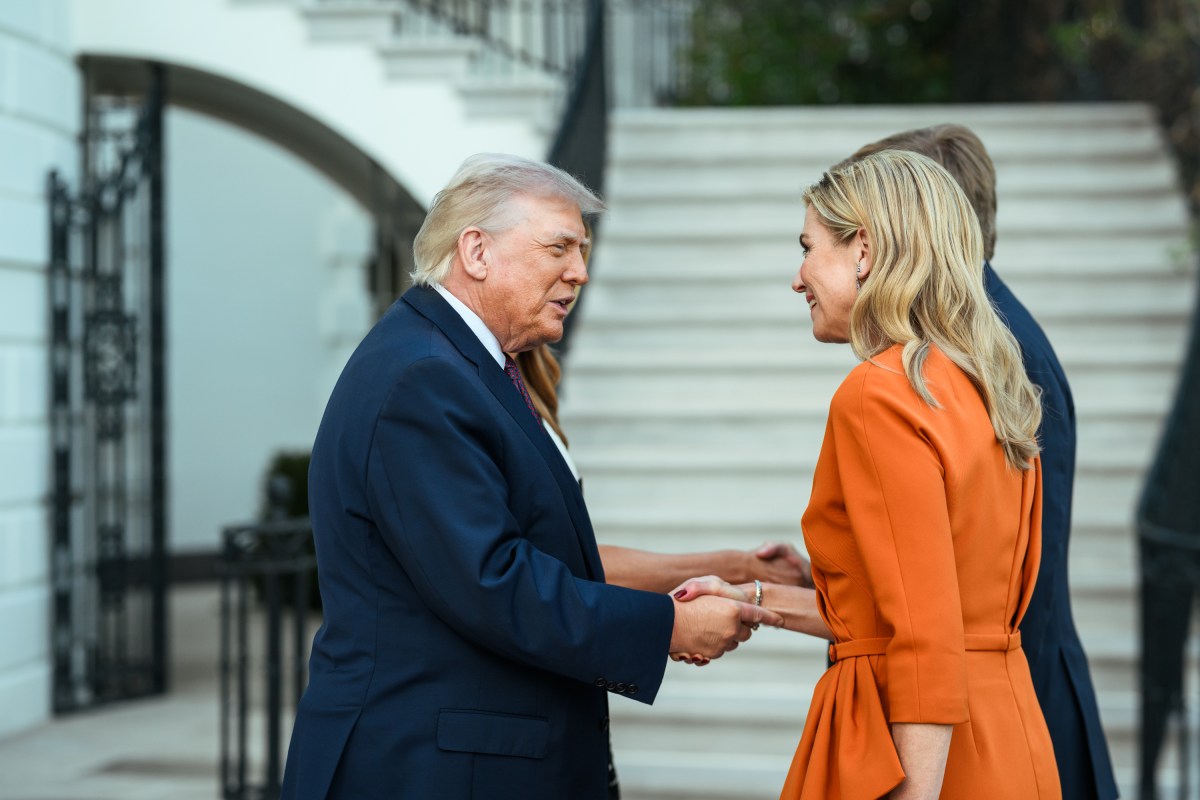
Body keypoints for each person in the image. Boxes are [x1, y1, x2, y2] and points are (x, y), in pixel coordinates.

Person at [279, 153, 780, 800]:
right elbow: (495, 582)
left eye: (583, 249)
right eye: (558, 248)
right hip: (424, 769)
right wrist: (667, 628)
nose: (580, 271)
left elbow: (542, 558)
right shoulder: (423, 380)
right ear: (477, 252)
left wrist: (707, 580)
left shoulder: (464, 367)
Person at [680, 149, 1061, 798]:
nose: (797, 278)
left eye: (808, 247)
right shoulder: (986, 387)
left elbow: (924, 636)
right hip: (1007, 734)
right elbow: (926, 611)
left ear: (864, 250)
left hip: (921, 754)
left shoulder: (879, 394)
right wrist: (755, 599)